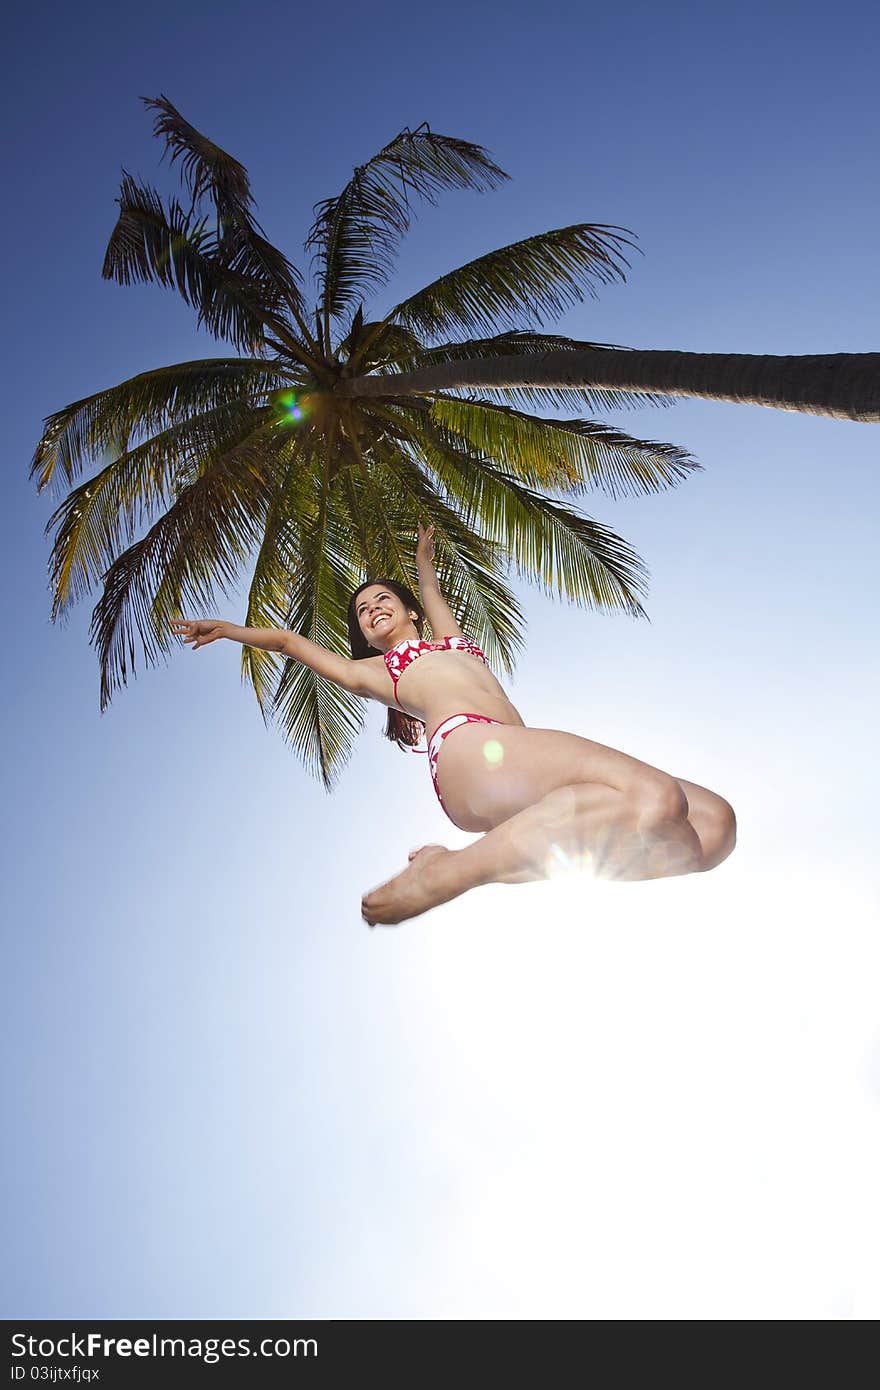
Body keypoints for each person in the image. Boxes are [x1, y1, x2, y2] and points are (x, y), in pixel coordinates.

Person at [171, 523, 736, 927]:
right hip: (468, 751)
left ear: (409, 609)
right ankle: (455, 870)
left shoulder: (453, 643)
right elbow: (292, 642)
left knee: (711, 832)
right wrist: (230, 630)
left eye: (382, 598)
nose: (372, 609)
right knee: (656, 798)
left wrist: (421, 559)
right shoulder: (377, 670)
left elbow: (435, 593)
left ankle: (507, 859)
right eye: (363, 612)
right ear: (366, 637)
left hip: (516, 756)